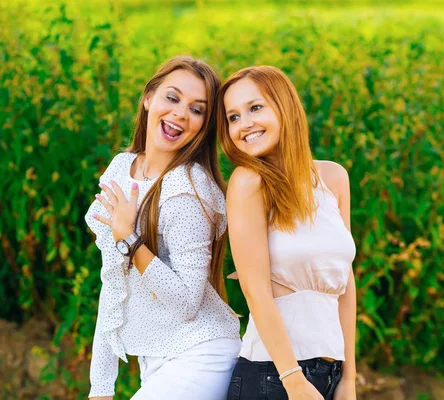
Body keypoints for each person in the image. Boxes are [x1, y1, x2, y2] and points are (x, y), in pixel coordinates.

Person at [85, 55, 241, 400]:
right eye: (172, 98)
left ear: (204, 125)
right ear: (148, 98)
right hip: (156, 358)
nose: (181, 114)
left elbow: (186, 301)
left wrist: (130, 240)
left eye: (197, 109)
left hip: (200, 353)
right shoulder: (122, 169)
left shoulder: (186, 187)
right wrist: (100, 388)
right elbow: (112, 283)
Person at [217, 66, 357, 400]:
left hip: (330, 372)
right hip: (273, 375)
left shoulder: (334, 178)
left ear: (285, 106)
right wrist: (293, 379)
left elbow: (345, 283)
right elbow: (255, 289)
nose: (244, 124)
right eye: (233, 117)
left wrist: (349, 378)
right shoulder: (249, 182)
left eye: (255, 108)